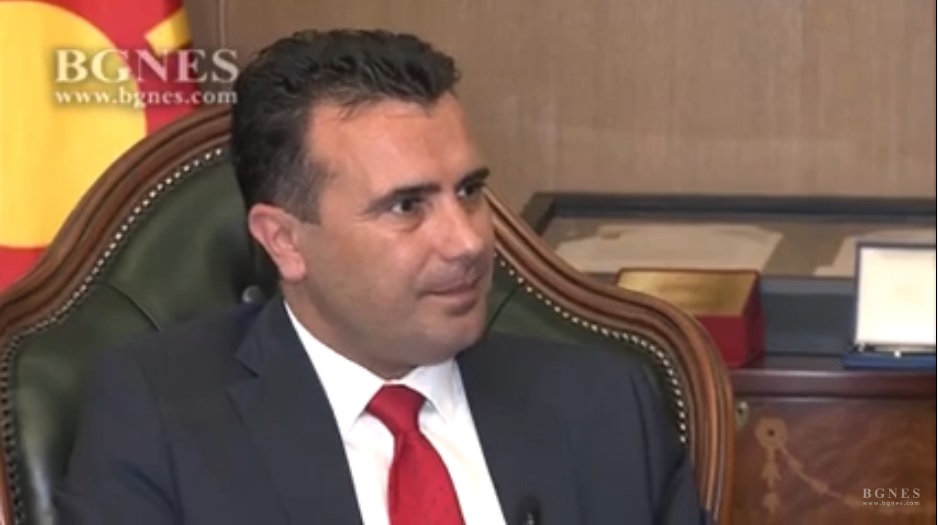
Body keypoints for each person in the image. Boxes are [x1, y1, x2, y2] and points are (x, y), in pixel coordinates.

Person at [55, 28, 710, 525]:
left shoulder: (604, 405)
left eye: (469, 190)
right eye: (407, 206)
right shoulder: (159, 416)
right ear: (284, 241)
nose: (467, 241)